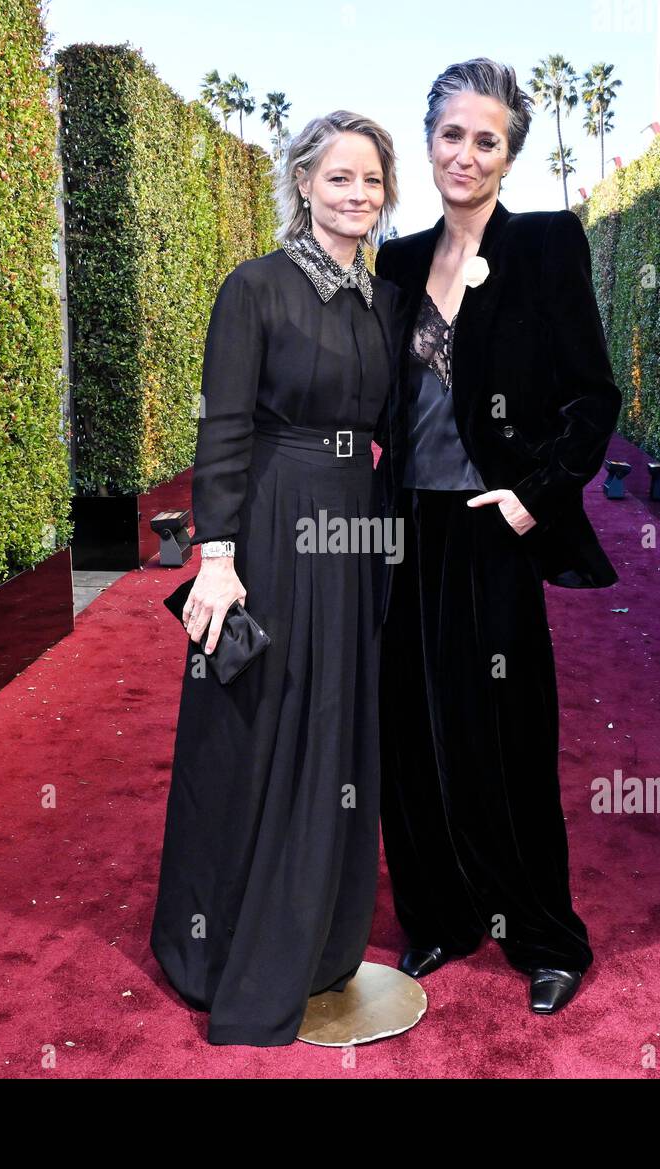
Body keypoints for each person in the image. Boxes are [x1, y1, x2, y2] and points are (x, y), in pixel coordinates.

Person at [373, 58, 621, 1014]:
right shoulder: (394, 261)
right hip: (406, 529)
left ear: (509, 155)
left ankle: (547, 936)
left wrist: (532, 495)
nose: (466, 154)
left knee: (510, 736)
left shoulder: (550, 245)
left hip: (494, 528)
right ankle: (441, 916)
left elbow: (593, 398)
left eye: (487, 140)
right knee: (412, 732)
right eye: (451, 135)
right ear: (427, 139)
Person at [150, 111, 403, 1046]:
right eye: (340, 178)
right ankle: (219, 952)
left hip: (352, 527)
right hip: (271, 525)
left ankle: (323, 944)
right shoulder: (253, 288)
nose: (358, 195)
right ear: (303, 183)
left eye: (372, 180)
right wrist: (215, 558)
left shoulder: (380, 303)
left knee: (337, 727)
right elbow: (222, 427)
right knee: (257, 728)